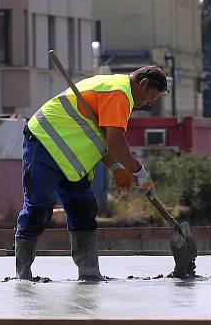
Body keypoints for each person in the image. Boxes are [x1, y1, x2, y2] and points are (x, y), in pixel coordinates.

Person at [15, 65, 167, 280]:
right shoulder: (119, 94)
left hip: (71, 158)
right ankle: (23, 275)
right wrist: (139, 173)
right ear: (143, 84)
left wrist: (116, 168)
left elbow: (100, 135)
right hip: (45, 144)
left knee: (83, 209)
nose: (150, 102)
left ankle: (89, 273)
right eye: (151, 95)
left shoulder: (115, 89)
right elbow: (115, 142)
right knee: (38, 209)